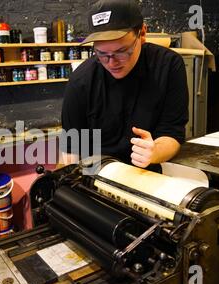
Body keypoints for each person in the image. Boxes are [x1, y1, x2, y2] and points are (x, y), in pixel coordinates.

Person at [60, 0, 189, 170]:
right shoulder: (80, 81)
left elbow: (172, 132)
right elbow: (71, 148)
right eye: (102, 54)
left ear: (142, 34)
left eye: (122, 51)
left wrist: (155, 151)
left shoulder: (168, 66)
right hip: (97, 175)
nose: (111, 62)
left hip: (146, 173)